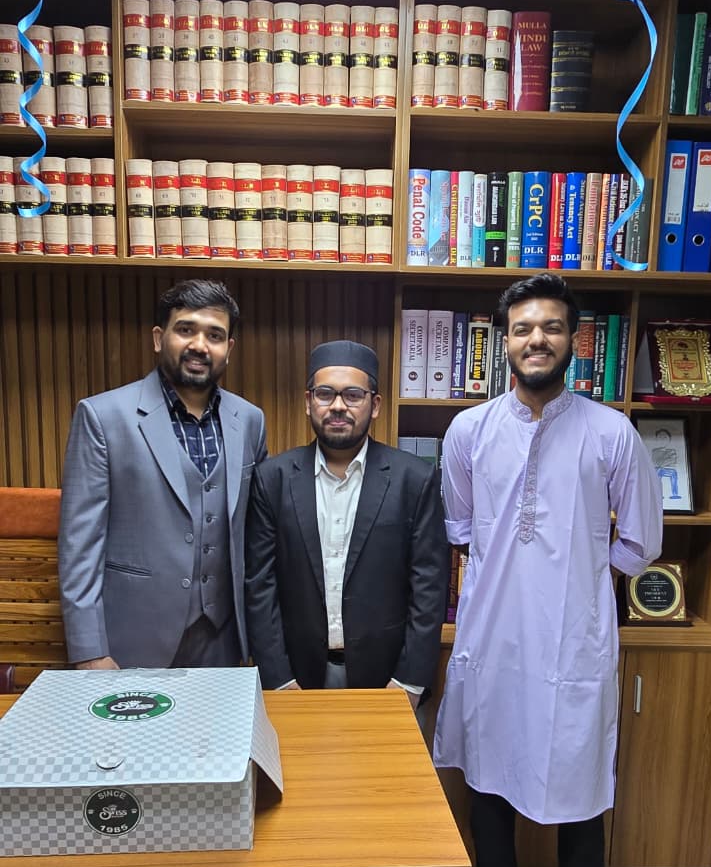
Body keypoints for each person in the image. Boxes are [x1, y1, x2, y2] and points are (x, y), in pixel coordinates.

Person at [434, 273, 663, 867]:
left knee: (578, 783)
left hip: (574, 641)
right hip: (493, 634)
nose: (537, 339)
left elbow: (641, 541)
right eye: (524, 327)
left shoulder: (611, 432)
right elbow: (461, 528)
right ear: (504, 340)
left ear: (574, 340)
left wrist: (581, 582)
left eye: (552, 327)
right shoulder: (469, 432)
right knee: (487, 772)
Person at [58, 278, 267, 670]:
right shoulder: (102, 417)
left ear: (229, 348)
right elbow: (79, 546)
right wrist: (90, 651)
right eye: (185, 329)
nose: (199, 345)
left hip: (224, 642)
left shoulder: (250, 420)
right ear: (159, 338)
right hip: (133, 640)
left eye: (214, 335)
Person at [244, 339, 448, 704]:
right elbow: (260, 586)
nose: (338, 406)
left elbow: (429, 587)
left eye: (353, 395)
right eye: (325, 394)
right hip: (295, 678)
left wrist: (409, 681)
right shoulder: (272, 479)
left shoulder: (414, 480)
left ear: (376, 405)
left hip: (388, 678)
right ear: (308, 402)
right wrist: (279, 680)